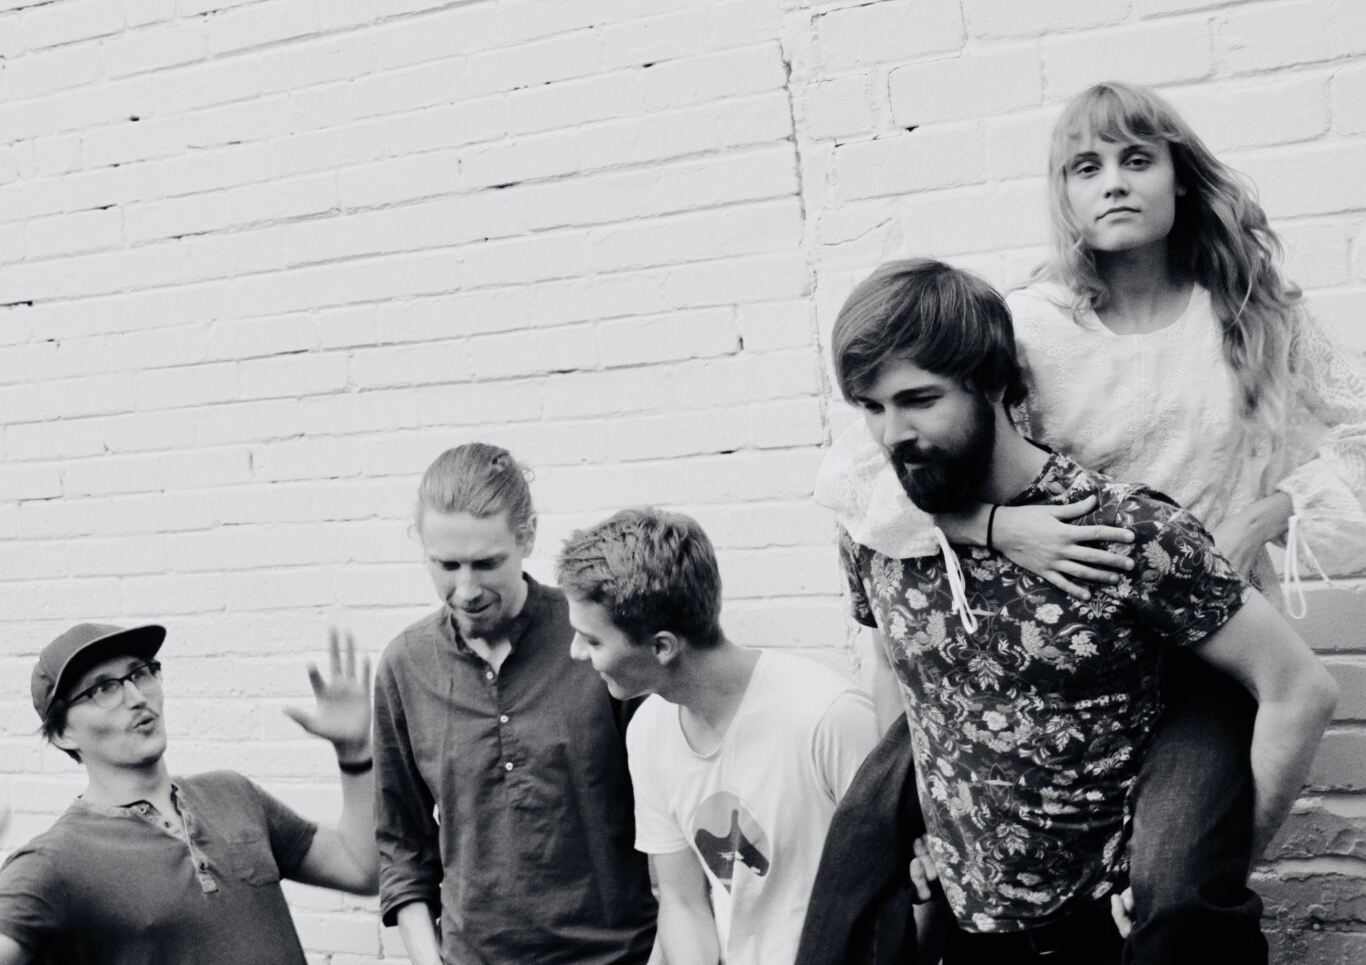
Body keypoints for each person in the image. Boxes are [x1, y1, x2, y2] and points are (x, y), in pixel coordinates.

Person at [815, 81, 1366, 961]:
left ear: (1179, 176)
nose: (1113, 182)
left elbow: (1355, 437)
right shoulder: (1034, 325)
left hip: (1202, 636)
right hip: (1058, 625)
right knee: (858, 859)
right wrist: (996, 529)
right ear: (1063, 193)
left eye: (1136, 159)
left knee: (1178, 890)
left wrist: (1268, 513)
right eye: (1086, 166)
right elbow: (878, 472)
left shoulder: (1254, 318)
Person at [373, 443, 657, 965]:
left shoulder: (594, 641)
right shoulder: (404, 665)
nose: (466, 589)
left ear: (527, 537)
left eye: (486, 563)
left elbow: (672, 816)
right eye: (446, 565)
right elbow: (402, 847)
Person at [556, 507, 880, 965]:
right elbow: (682, 902)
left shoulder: (829, 717)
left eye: (592, 641)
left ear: (662, 646)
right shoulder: (649, 730)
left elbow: (908, 892)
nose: (575, 653)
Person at [0, 623, 378, 965]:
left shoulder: (233, 794)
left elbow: (361, 868)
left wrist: (355, 753)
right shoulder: (53, 862)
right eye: (103, 688)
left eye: (140, 673)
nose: (136, 696)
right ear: (63, 733)